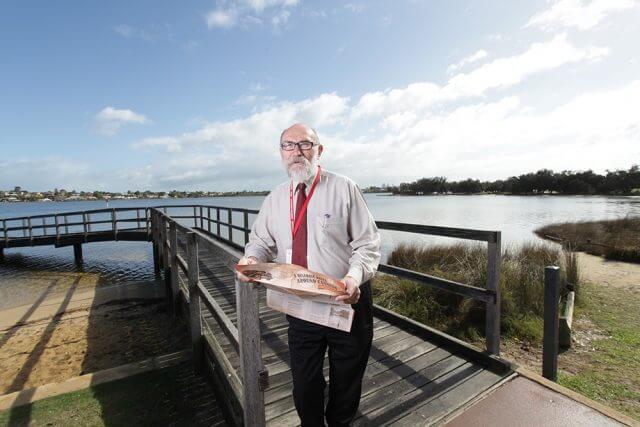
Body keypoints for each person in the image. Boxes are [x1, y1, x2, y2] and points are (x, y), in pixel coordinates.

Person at [237, 123, 381, 426]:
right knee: (304, 385)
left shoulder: (343, 188)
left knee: (346, 381)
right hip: (300, 306)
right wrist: (252, 259)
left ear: (319, 150)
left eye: (304, 144)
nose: (296, 152)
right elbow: (261, 241)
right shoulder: (276, 198)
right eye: (288, 145)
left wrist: (354, 278)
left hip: (346, 300)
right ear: (281, 153)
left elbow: (367, 245)